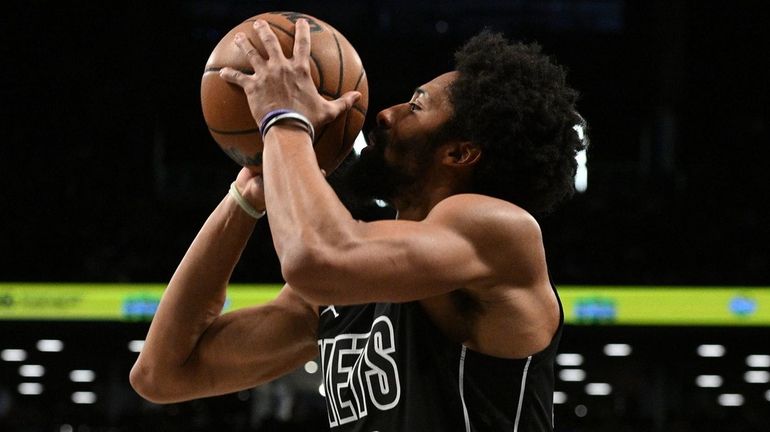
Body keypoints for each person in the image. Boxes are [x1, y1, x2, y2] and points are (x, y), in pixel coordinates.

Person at [130, 18, 587, 432]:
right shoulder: (349, 286)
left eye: (417, 105)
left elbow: (317, 258)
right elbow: (163, 373)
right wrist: (246, 198)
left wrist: (284, 119)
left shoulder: (500, 230)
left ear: (459, 153)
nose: (385, 114)